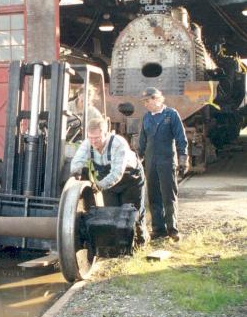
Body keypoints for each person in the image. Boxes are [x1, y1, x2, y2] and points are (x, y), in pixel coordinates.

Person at [70, 117, 149, 245]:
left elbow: (117, 174)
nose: (93, 142)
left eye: (97, 138)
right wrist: (76, 174)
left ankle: (140, 242)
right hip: (107, 182)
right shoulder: (88, 143)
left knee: (132, 213)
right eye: (91, 138)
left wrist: (99, 186)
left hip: (130, 179)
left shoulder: (118, 143)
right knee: (111, 213)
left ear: (105, 134)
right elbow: (77, 162)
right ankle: (117, 248)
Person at [138, 87, 189, 242]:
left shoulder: (171, 115)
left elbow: (181, 138)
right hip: (151, 161)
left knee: (169, 195)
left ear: (156, 99)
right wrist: (137, 159)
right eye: (144, 101)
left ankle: (172, 229)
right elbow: (142, 141)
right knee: (153, 196)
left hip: (167, 160)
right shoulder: (146, 118)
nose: (145, 104)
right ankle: (158, 229)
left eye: (147, 101)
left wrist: (183, 158)